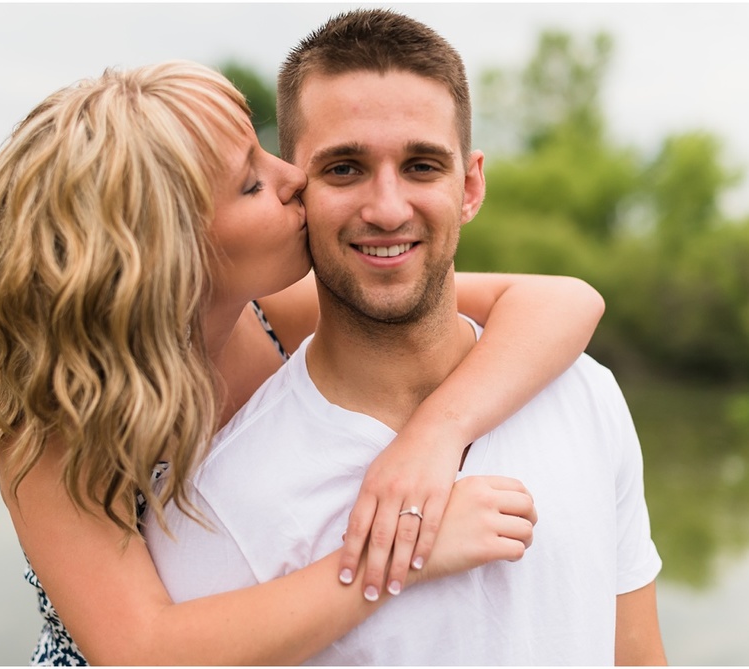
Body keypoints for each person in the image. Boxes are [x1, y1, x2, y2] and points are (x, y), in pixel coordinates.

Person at [0, 58, 605, 665]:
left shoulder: (266, 311)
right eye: (251, 181)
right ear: (174, 253)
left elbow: (561, 300)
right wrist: (401, 553)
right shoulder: (54, 429)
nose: (295, 177)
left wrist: (436, 435)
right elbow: (145, 649)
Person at [143, 9, 666, 666]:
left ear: (470, 185)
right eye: (344, 169)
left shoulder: (587, 395)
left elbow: (640, 655)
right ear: (296, 190)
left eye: (421, 165)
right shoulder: (216, 503)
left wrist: (436, 431)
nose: (388, 209)